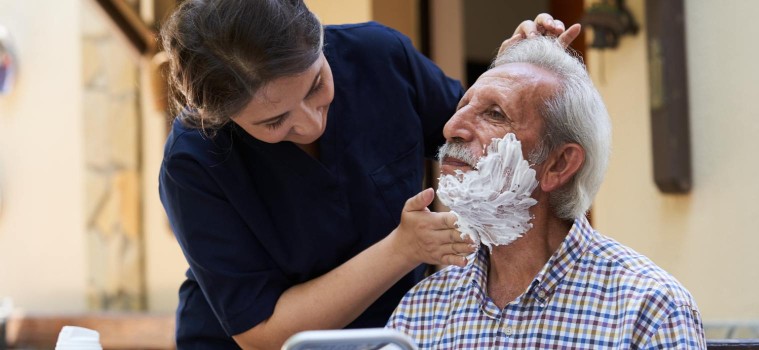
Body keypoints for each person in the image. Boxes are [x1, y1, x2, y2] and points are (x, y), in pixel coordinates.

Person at [158, 0, 578, 348]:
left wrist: (509, 80)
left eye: (315, 85)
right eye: (274, 121)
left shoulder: (380, 57)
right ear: (222, 118)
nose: (309, 124)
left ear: (320, 40)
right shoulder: (194, 160)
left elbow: (474, 139)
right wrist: (402, 248)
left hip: (391, 333)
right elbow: (263, 333)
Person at [387, 36, 707, 349]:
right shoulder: (422, 310)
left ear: (559, 164)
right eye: (462, 106)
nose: (451, 127)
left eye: (495, 114)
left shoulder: (649, 309)